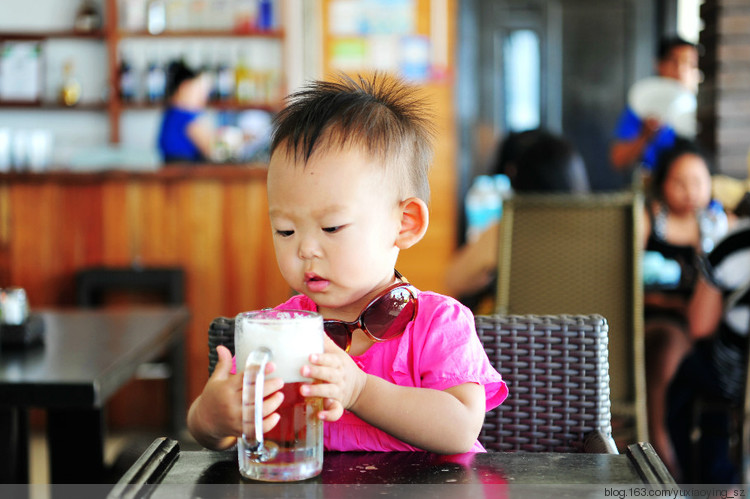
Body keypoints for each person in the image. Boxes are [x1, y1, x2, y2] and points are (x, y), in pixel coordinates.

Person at [187, 74, 508, 453]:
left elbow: (459, 429)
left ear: (405, 224)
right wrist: (212, 417)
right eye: (285, 231)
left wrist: (359, 389)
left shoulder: (437, 324)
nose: (305, 249)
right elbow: (214, 433)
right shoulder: (281, 331)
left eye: (331, 227)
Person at [640, 138, 730, 477]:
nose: (689, 191)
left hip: (700, 324)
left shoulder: (717, 224)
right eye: (679, 182)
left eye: (698, 182)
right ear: (662, 184)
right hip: (655, 318)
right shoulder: (648, 219)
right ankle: (659, 443)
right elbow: (625, 281)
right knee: (663, 348)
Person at [444, 129, 590, 309]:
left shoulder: (507, 231)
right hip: (598, 334)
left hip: (528, 335)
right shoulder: (610, 228)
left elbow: (453, 280)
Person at [667, 196, 750, 483]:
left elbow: (699, 326)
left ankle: (717, 482)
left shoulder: (736, 241)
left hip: (738, 385)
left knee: (688, 378)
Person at [610, 36, 700, 174]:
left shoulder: (702, 111)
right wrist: (645, 135)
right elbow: (618, 160)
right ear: (659, 65)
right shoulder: (641, 107)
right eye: (675, 62)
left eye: (690, 64)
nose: (682, 70)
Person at [157, 59, 214, 163]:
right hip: (186, 177)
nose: (204, 97)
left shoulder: (171, 113)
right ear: (185, 87)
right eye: (199, 90)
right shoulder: (185, 117)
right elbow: (212, 150)